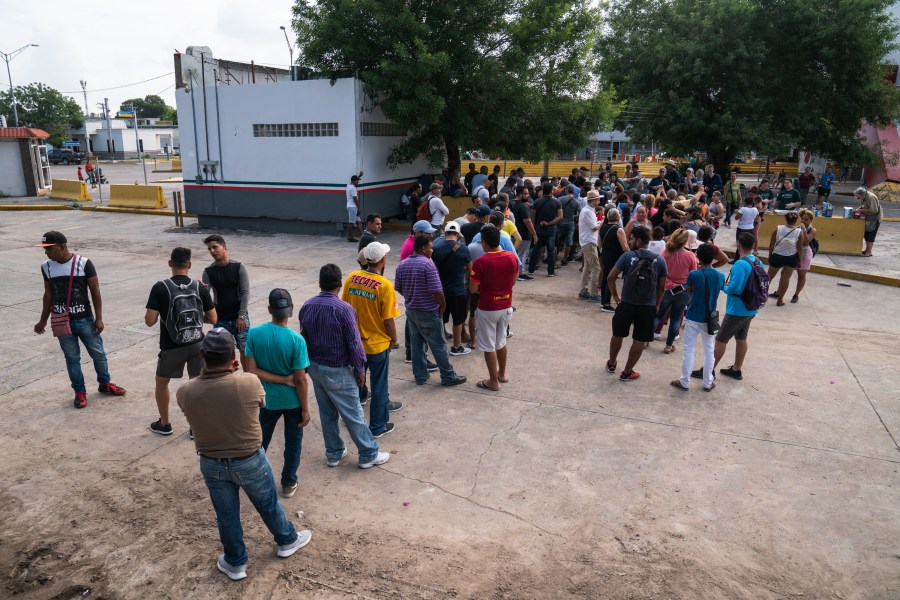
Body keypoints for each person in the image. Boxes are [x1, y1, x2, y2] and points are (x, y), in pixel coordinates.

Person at [176, 328, 311, 581]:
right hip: (249, 458)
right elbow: (260, 403)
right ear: (234, 358)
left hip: (211, 462)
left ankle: (235, 562)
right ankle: (286, 540)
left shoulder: (185, 391)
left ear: (203, 354)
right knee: (267, 504)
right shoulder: (249, 382)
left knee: (226, 515)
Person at [297, 264, 390, 468]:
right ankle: (368, 454)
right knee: (353, 413)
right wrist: (360, 370)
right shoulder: (344, 309)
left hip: (315, 368)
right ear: (340, 283)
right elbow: (354, 343)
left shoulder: (307, 305)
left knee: (327, 412)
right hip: (337, 369)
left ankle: (334, 453)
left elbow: (304, 336)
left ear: (320, 283)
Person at [34, 231, 127, 409]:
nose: (46, 253)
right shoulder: (46, 266)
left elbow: (95, 291)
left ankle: (105, 383)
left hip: (85, 319)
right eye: (44, 249)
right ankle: (79, 392)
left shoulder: (83, 263)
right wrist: (43, 320)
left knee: (98, 354)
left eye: (49, 249)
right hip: (62, 322)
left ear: (62, 246)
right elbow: (48, 295)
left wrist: (99, 318)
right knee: (72, 358)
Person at [244, 289, 311, 499]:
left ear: (269, 310)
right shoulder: (296, 340)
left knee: (261, 441)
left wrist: (279, 379)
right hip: (292, 402)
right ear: (291, 309)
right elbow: (300, 379)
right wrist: (306, 408)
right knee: (293, 442)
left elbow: (250, 370)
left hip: (266, 400)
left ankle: (255, 478)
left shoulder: (254, 333)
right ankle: (288, 482)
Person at [145, 247, 217, 435]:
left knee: (162, 382)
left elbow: (149, 321)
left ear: (170, 263)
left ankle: (165, 423)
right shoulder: (199, 286)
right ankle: (195, 427)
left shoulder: (160, 287)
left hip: (171, 346)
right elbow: (213, 318)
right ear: (190, 265)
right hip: (197, 343)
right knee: (196, 383)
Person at [341, 242, 402, 438]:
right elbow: (388, 319)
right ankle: (377, 426)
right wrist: (394, 339)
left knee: (355, 383)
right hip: (377, 345)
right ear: (383, 260)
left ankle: (350, 419)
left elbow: (344, 308)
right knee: (379, 386)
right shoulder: (384, 286)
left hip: (355, 343)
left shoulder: (352, 277)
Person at [394, 236, 467, 387]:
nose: (432, 250)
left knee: (417, 344)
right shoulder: (428, 265)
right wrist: (442, 305)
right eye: (430, 247)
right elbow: (437, 291)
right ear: (423, 249)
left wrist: (412, 297)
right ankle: (448, 376)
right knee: (439, 345)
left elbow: (399, 287)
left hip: (411, 311)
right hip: (428, 311)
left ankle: (420, 376)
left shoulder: (403, 264)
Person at [696, 232, 762, 382]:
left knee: (721, 339)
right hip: (751, 307)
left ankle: (707, 370)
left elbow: (735, 288)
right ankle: (736, 369)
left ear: (739, 245)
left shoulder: (740, 264)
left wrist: (723, 287)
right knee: (741, 338)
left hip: (737, 309)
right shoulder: (757, 261)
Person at [604, 226, 668, 381]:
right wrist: (657, 304)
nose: (630, 241)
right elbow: (662, 286)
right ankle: (627, 372)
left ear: (638, 241)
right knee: (639, 340)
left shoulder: (627, 257)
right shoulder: (659, 260)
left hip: (626, 303)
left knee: (618, 334)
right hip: (647, 306)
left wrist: (616, 297)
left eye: (631, 238)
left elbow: (610, 277)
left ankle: (612, 363)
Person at [470, 225, 519, 391]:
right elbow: (513, 281)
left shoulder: (480, 262)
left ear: (484, 243)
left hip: (487, 307)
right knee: (501, 341)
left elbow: (472, 289)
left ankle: (493, 381)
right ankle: (502, 374)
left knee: (488, 345)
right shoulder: (511, 257)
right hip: (506, 305)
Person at [671, 243, 724, 392]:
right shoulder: (720, 275)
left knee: (689, 350)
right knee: (709, 350)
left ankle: (684, 381)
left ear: (698, 257)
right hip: (710, 318)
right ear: (714, 258)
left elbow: (689, 290)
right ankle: (708, 382)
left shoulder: (694, 274)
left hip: (693, 316)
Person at [202, 234, 251, 370]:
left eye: (215, 247)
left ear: (224, 246)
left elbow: (245, 293)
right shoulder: (208, 271)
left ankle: (247, 378)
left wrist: (241, 316)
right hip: (220, 318)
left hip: (239, 317)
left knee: (244, 350)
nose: (212, 251)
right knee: (223, 352)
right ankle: (228, 379)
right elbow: (206, 296)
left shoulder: (238, 267)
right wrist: (202, 291)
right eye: (209, 249)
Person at [653, 229, 698, 354]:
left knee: (658, 315)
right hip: (683, 291)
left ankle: (646, 340)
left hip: (666, 288)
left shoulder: (665, 253)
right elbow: (692, 274)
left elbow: (658, 272)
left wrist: (669, 284)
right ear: (685, 241)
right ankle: (668, 345)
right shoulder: (690, 256)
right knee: (676, 318)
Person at [431, 223, 472, 356]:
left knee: (440, 318)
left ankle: (439, 346)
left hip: (440, 290)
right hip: (458, 291)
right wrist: (459, 272)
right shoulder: (464, 249)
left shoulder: (436, 247)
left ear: (445, 233)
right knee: (458, 319)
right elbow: (470, 270)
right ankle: (456, 346)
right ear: (458, 235)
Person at [767, 211, 806, 306]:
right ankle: (780, 300)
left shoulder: (778, 228)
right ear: (796, 220)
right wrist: (800, 260)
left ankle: (761, 296)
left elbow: (772, 243)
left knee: (768, 277)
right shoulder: (799, 232)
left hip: (777, 255)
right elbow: (799, 248)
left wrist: (770, 254)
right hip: (791, 257)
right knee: (785, 278)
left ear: (785, 218)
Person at [598, 208, 630, 313]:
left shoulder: (602, 228)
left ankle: (603, 301)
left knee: (605, 278)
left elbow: (599, 244)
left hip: (605, 256)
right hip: (616, 257)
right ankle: (607, 304)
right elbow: (625, 247)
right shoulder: (619, 230)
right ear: (618, 217)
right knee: (611, 279)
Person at [528, 183, 562, 277]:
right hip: (551, 230)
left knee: (536, 249)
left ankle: (531, 269)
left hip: (539, 229)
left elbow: (533, 216)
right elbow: (560, 216)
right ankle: (550, 271)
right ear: (551, 191)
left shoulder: (537, 201)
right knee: (551, 250)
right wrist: (549, 223)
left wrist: (534, 229)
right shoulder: (556, 202)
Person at [577, 191, 603, 302]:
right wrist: (603, 222)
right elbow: (594, 227)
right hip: (589, 242)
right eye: (597, 199)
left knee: (588, 266)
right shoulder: (588, 211)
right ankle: (593, 293)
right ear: (592, 200)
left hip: (587, 241)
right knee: (596, 267)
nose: (599, 201)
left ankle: (584, 291)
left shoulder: (588, 210)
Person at [790, 209, 817, 303]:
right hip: (796, 252)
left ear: (810, 220)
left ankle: (796, 294)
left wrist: (804, 231)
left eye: (806, 219)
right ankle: (779, 292)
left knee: (801, 275)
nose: (803, 221)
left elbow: (806, 241)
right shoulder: (797, 228)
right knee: (786, 272)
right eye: (802, 219)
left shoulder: (812, 230)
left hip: (805, 254)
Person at [854, 186, 883, 257]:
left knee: (870, 235)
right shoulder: (864, 197)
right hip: (869, 218)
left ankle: (869, 251)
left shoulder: (871, 197)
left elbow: (873, 210)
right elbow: (864, 206)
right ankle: (867, 250)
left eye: (858, 197)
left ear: (862, 195)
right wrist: (859, 209)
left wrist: (860, 211)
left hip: (875, 218)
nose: (857, 199)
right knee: (866, 234)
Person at [346, 173, 364, 242]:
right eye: (357, 181)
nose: (358, 182)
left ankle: (362, 236)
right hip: (353, 207)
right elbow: (355, 198)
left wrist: (359, 176)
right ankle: (350, 237)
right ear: (354, 181)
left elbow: (352, 181)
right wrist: (358, 207)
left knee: (358, 221)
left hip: (352, 207)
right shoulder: (353, 188)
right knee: (351, 222)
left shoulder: (348, 186)